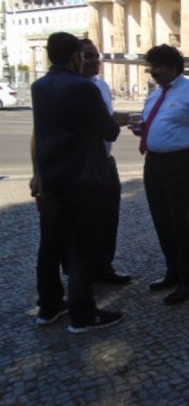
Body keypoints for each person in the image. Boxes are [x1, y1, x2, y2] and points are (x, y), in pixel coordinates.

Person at [31, 32, 124, 333]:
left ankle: (49, 306)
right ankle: (82, 314)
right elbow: (108, 131)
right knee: (81, 247)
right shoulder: (84, 88)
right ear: (75, 57)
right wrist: (116, 120)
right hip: (83, 179)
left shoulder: (39, 86)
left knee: (50, 246)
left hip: (53, 178)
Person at [136, 44, 189, 305]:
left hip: (180, 163)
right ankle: (172, 271)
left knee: (179, 222)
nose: (152, 72)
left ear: (172, 67)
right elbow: (155, 126)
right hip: (154, 163)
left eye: (157, 66)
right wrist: (142, 129)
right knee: (161, 219)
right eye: (151, 66)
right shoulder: (155, 94)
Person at [78, 38, 132, 285]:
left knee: (109, 218)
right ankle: (82, 277)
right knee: (85, 224)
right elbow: (106, 126)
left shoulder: (102, 86)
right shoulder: (73, 87)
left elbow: (109, 117)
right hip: (82, 165)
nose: (95, 61)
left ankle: (103, 267)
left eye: (96, 56)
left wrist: (142, 117)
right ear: (75, 58)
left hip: (105, 160)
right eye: (88, 56)